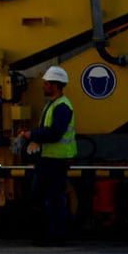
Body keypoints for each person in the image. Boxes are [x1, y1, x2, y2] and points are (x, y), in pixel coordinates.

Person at [26, 65, 77, 244]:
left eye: (47, 83)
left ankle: (55, 236)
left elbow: (55, 133)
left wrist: (31, 135)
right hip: (48, 159)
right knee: (45, 196)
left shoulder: (62, 107)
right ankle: (48, 235)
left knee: (53, 198)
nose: (43, 86)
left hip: (55, 160)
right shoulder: (53, 105)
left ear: (55, 85)